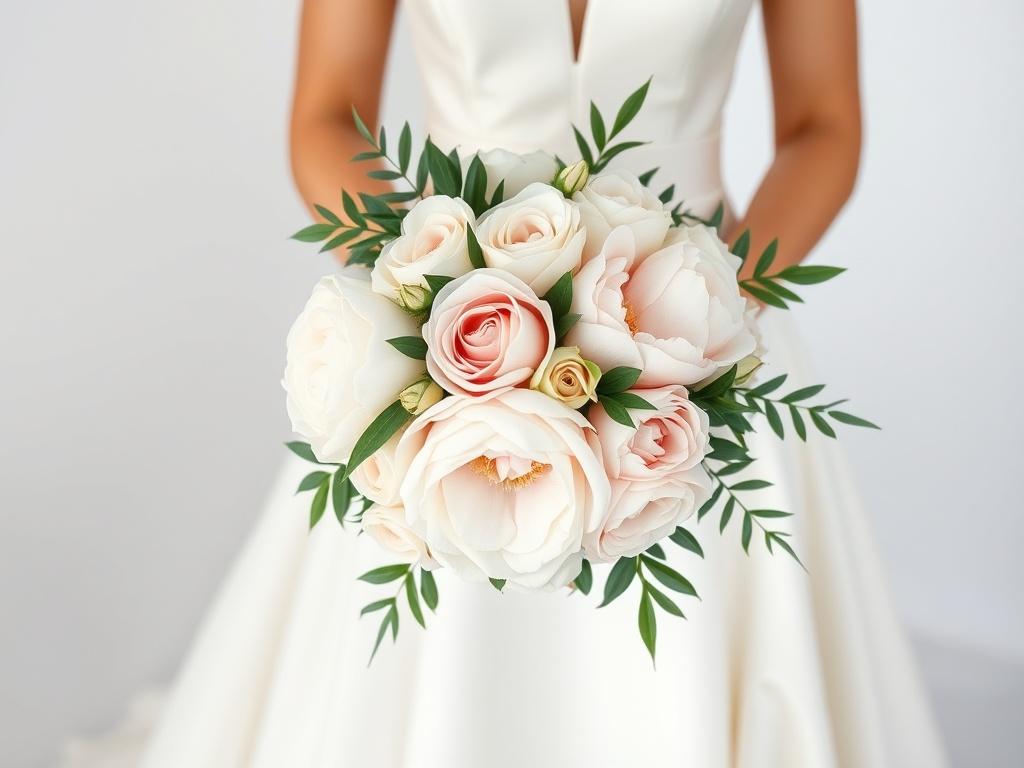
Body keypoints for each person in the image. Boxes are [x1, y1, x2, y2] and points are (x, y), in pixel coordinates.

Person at [64, 1, 947, 766]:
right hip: (456, 338)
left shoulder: (708, 331)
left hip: (700, 346)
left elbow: (823, 125)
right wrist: (431, 296)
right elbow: (327, 111)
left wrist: (709, 314)